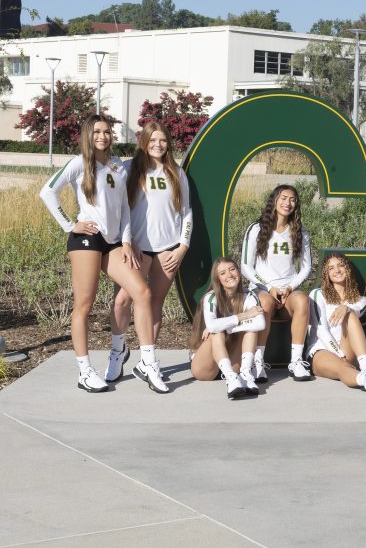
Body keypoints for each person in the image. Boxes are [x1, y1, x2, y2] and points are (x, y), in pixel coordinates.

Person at [39, 115, 167, 394]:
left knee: (141, 293)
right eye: (97, 131)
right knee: (84, 305)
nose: (103, 136)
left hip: (113, 242)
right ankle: (85, 371)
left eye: (107, 132)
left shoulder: (118, 165)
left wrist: (126, 238)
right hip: (86, 238)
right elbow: (47, 192)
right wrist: (69, 225)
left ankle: (142, 361)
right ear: (88, 135)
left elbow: (123, 207)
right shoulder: (79, 163)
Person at [109, 121, 192, 382]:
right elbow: (113, 201)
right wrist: (126, 239)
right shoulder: (129, 168)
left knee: (155, 303)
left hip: (168, 251)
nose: (158, 145)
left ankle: (148, 361)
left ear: (168, 144)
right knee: (123, 300)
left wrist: (182, 247)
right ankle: (118, 349)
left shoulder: (176, 173)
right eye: (152, 140)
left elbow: (187, 212)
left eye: (163, 140)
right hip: (136, 248)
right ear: (144, 142)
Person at [240, 184, 313, 382]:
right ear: (274, 200)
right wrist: (269, 287)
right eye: (283, 198)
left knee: (303, 301)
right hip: (263, 289)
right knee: (266, 303)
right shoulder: (256, 229)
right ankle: (258, 362)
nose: (287, 203)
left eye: (292, 199)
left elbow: (306, 267)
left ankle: (296, 361)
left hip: (288, 290)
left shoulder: (300, 232)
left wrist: (290, 287)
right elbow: (246, 266)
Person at [188, 257, 266, 399]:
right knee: (216, 333)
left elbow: (260, 324)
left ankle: (245, 374)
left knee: (251, 329)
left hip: (234, 362)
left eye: (232, 269)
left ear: (238, 272)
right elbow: (212, 326)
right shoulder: (211, 297)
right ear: (217, 279)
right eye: (223, 273)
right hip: (206, 367)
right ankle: (230, 378)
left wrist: (226, 327)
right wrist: (244, 316)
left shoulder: (249, 295)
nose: (229, 275)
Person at [308, 253, 366, 390]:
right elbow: (321, 330)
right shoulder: (317, 294)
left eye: (340, 266)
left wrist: (346, 307)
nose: (337, 270)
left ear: (347, 269)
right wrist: (340, 355)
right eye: (331, 268)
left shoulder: (360, 300)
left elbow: (355, 310)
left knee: (350, 314)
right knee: (342, 367)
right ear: (326, 274)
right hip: (322, 350)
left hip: (348, 350)